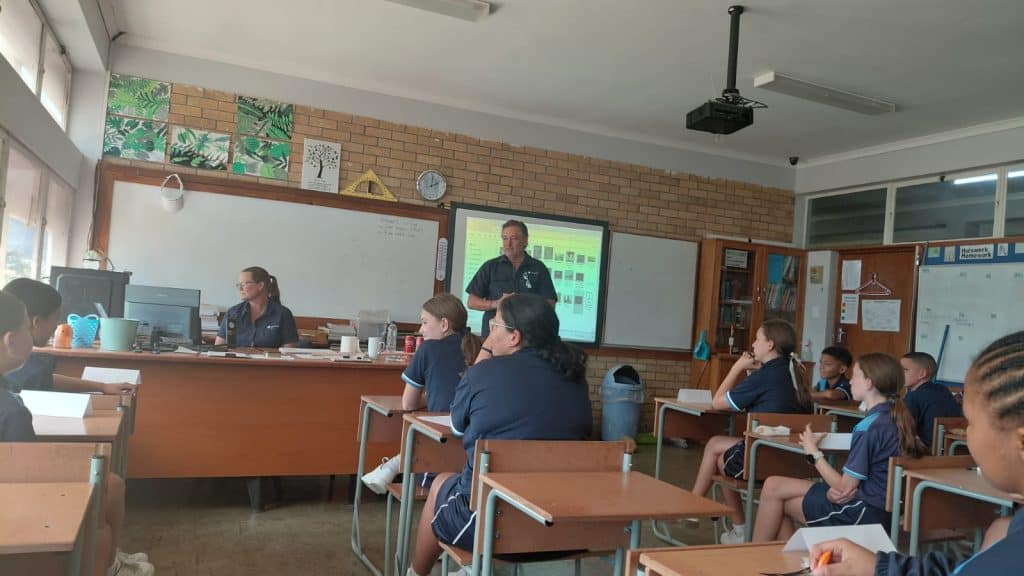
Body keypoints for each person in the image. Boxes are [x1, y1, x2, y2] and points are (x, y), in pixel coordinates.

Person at [808, 331, 1024, 576]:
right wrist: (880, 566)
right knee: (1000, 527)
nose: (966, 433)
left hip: (868, 510)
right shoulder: (1010, 532)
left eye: (970, 422)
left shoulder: (1012, 558)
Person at [408, 294, 592, 576]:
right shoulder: (575, 378)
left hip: (491, 525)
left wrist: (484, 352)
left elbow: (456, 426)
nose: (490, 333)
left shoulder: (483, 373)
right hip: (564, 526)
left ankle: (415, 573)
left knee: (441, 484)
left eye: (494, 326)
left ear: (514, 337)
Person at [0, 291, 152, 576]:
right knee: (103, 494)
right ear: (11, 339)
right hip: (16, 510)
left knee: (107, 484)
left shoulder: (7, 388)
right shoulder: (10, 411)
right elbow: (26, 475)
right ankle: (104, 564)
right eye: (26, 329)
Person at [750, 353, 926, 542]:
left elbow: (844, 488)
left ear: (869, 383)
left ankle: (753, 554)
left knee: (776, 500)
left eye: (855, 375)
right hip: (883, 509)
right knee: (773, 485)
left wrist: (813, 452)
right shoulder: (894, 417)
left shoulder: (868, 427)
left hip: (862, 512)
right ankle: (780, 556)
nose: (850, 381)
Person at [689, 319, 814, 544]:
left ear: (770, 344)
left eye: (757, 339)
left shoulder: (764, 376)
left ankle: (730, 525)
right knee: (716, 444)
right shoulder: (795, 373)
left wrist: (736, 368)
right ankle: (698, 509)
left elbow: (717, 402)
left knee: (720, 458)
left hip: (763, 456)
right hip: (793, 459)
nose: (753, 344)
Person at [360, 293, 482, 494]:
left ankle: (394, 463)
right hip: (476, 455)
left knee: (417, 452)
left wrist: (429, 398)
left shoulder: (428, 349)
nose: (420, 329)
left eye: (425, 322)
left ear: (444, 324)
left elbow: (408, 404)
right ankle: (394, 463)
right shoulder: (479, 347)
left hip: (441, 452)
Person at [2, 278, 135, 395]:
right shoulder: (20, 366)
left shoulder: (23, 366)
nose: (56, 327)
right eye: (55, 319)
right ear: (37, 322)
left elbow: (44, 379)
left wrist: (102, 387)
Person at [465, 220, 556, 338]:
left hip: (528, 336)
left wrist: (527, 307)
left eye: (514, 238)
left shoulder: (539, 268)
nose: (508, 244)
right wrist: (496, 303)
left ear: (525, 240)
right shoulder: (490, 266)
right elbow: (471, 302)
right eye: (505, 238)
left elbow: (550, 304)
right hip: (495, 336)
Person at [215, 266, 299, 348]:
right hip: (236, 357)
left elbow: (289, 351)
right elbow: (219, 347)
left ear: (260, 286)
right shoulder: (232, 313)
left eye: (245, 284)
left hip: (270, 358)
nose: (240, 288)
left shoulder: (283, 314)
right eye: (239, 284)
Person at [901, 352, 962, 450]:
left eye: (905, 370)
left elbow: (902, 428)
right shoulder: (943, 390)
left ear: (922, 374)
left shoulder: (913, 396)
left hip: (924, 449)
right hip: (949, 448)